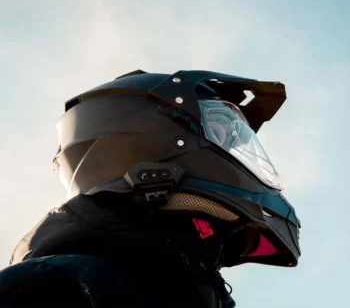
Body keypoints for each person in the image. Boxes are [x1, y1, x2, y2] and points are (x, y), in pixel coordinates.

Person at [0, 70, 301, 307]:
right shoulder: (53, 287)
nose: (232, 151)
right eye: (221, 135)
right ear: (151, 138)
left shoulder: (184, 291)